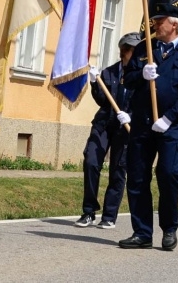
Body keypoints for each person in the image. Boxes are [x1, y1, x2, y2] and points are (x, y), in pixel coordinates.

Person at [119, 5, 178, 251]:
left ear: (174, 25)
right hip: (142, 124)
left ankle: (169, 229)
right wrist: (141, 75)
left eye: (160, 20)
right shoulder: (145, 49)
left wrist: (168, 118)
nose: (155, 24)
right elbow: (128, 78)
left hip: (170, 127)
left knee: (168, 175)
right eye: (154, 20)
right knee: (137, 177)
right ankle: (142, 232)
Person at [75, 32, 141, 228]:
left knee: (118, 169)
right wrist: (96, 83)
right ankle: (88, 211)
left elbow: (145, 102)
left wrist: (131, 116)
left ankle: (109, 215)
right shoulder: (110, 72)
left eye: (131, 50)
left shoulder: (141, 76)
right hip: (104, 123)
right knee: (91, 161)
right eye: (126, 49)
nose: (127, 53)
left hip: (126, 126)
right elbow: (102, 101)